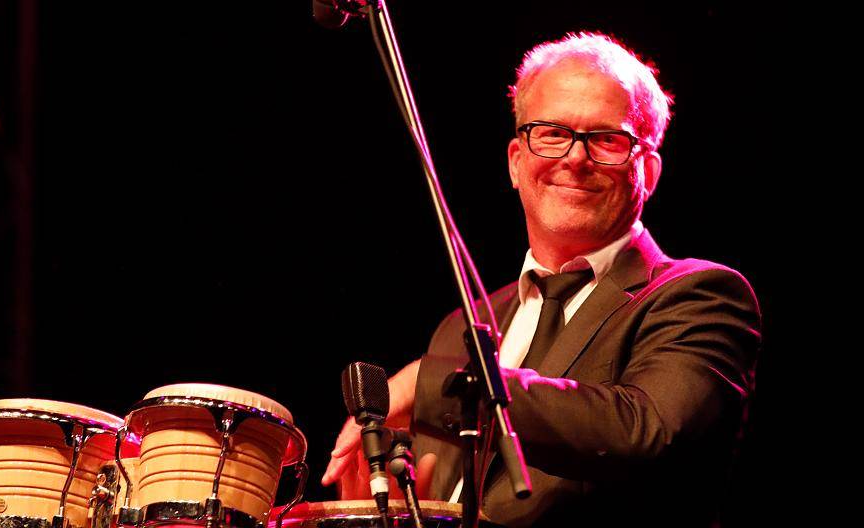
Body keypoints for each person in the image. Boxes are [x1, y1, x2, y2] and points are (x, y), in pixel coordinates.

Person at [321, 32, 760, 527]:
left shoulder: (700, 296)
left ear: (649, 172)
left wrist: (437, 384)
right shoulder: (461, 325)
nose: (575, 158)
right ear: (516, 162)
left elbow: (646, 429)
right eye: (551, 133)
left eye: (607, 139)